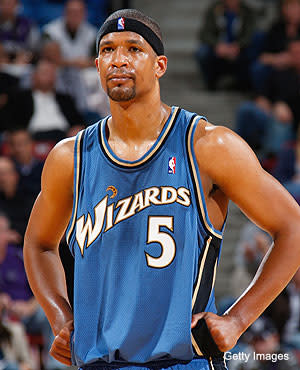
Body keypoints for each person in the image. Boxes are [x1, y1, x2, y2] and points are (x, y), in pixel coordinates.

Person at [23, 8, 300, 370]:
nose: (118, 60)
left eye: (133, 49)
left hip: (181, 361)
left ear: (160, 65)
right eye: (107, 50)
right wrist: (59, 317)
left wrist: (238, 319)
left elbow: (292, 227)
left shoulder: (208, 146)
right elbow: (39, 243)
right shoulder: (69, 158)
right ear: (96, 64)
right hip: (98, 361)